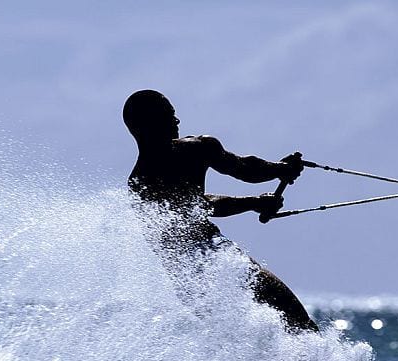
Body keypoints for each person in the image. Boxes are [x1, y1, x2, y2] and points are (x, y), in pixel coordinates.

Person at [124, 89, 318, 333]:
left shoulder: (198, 148)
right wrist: (253, 202)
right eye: (167, 116)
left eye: (174, 114)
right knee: (275, 329)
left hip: (220, 254)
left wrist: (279, 169)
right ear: (144, 126)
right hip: (194, 275)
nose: (176, 121)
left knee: (297, 322)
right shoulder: (142, 183)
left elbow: (242, 167)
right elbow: (199, 205)